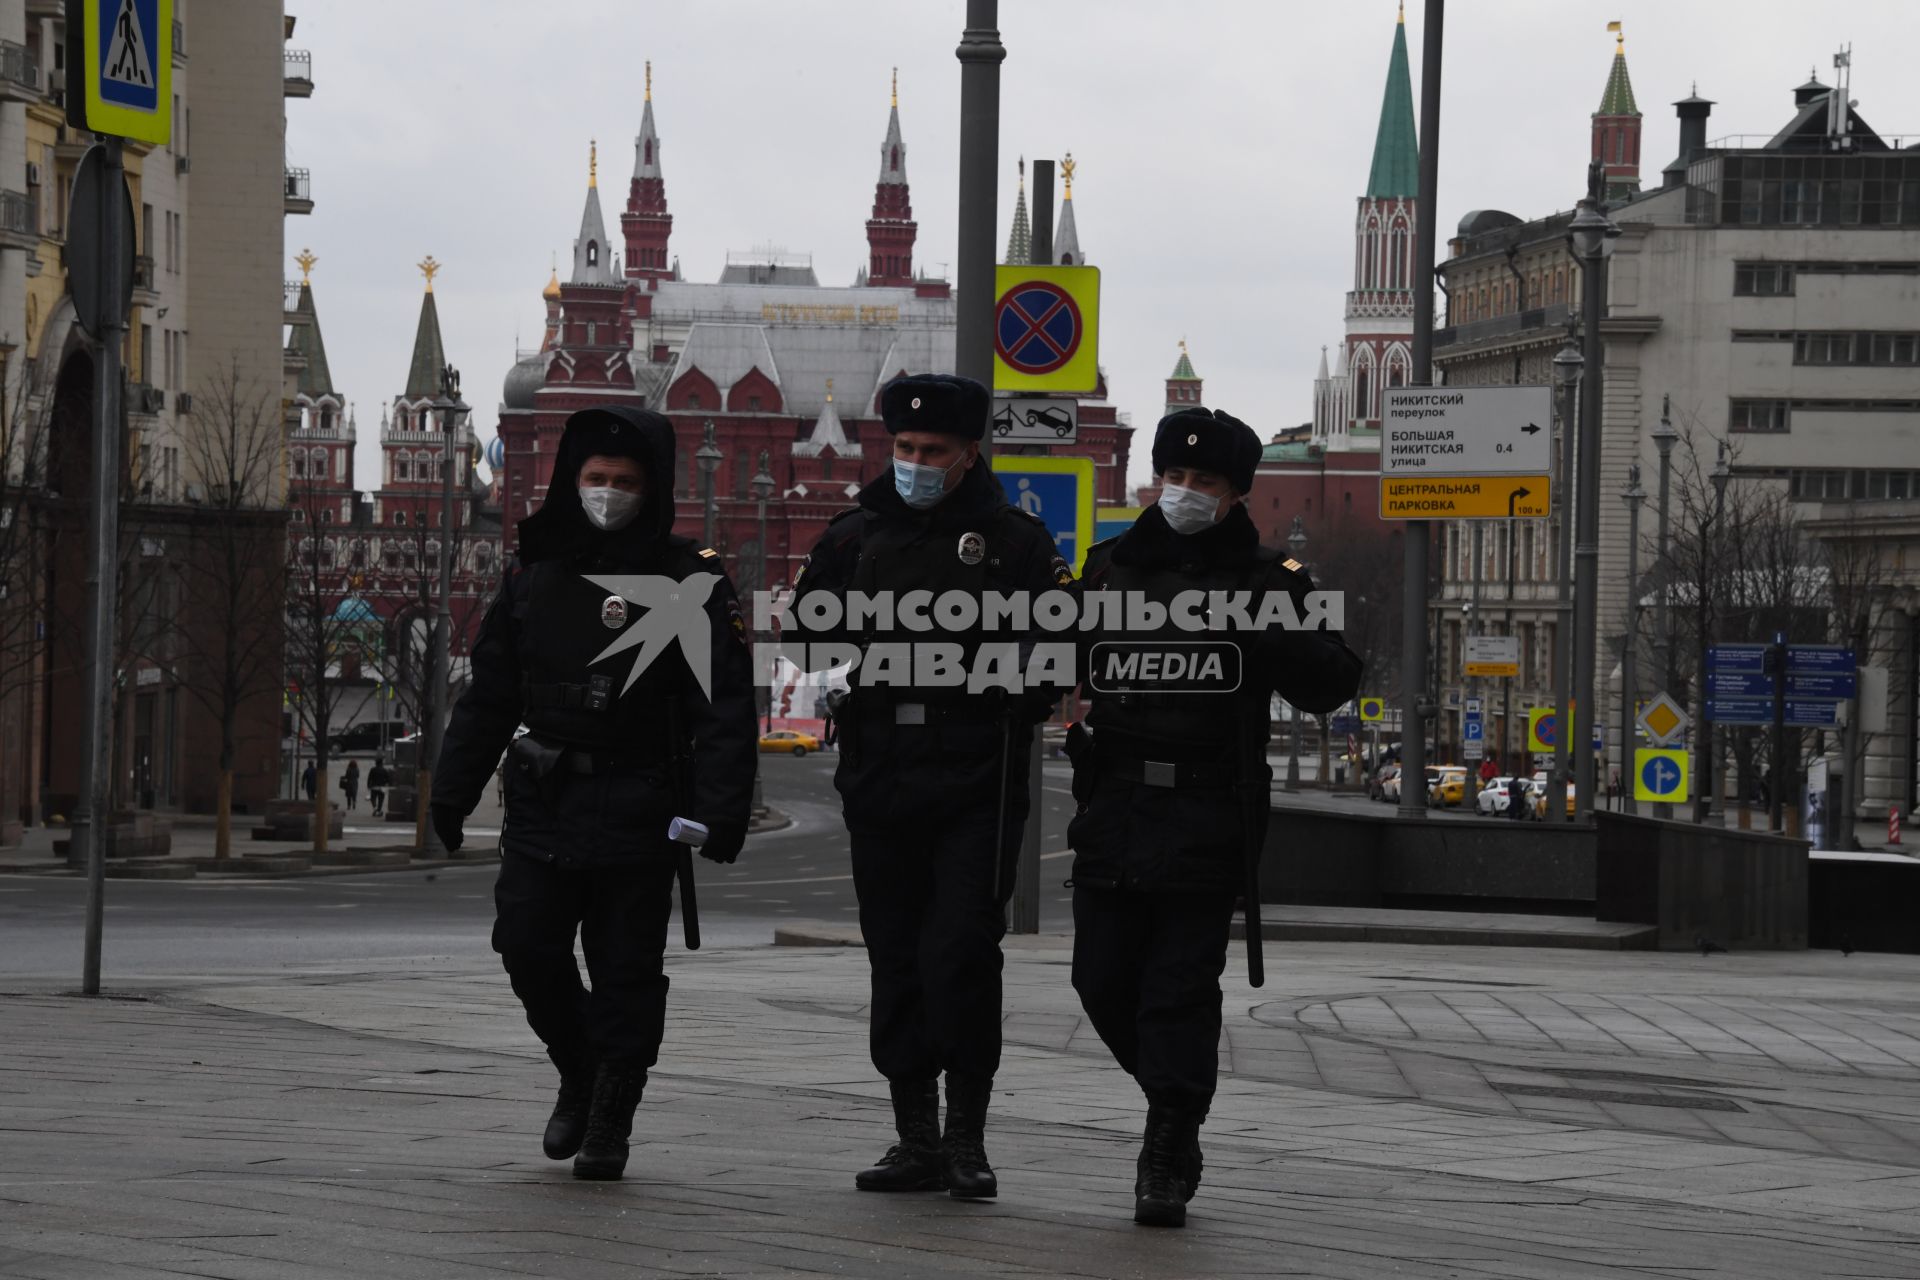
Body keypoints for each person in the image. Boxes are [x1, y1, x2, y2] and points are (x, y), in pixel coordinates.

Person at [429, 405, 757, 1181]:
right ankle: (579, 1067)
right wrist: (451, 789)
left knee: (625, 972)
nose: (609, 492)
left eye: (626, 481)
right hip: (544, 800)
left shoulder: (690, 580)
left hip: (642, 805)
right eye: (596, 478)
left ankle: (612, 1111)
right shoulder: (535, 575)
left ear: (654, 489)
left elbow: (726, 709)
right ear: (572, 482)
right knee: (526, 947)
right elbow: (490, 695)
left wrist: (719, 812)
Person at [1063, 407, 1362, 1228]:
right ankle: (1178, 1105)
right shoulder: (1107, 569)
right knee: (1100, 979)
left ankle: (1167, 1147)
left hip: (1208, 808)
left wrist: (1271, 636)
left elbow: (1335, 681)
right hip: (1117, 800)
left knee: (1179, 989)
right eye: (1176, 477)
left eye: (1206, 483)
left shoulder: (1272, 582)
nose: (1185, 493)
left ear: (1236, 495)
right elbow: (1040, 655)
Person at [787, 373, 1069, 1201]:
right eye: (903, 448)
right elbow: (805, 637)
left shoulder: (1015, 544)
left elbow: (1058, 649)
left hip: (977, 775)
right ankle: (915, 1137)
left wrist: (1004, 681)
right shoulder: (851, 539)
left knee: (962, 957)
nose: (914, 463)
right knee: (898, 957)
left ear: (968, 452)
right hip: (881, 774)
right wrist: (831, 672)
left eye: (932, 451)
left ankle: (967, 1139)